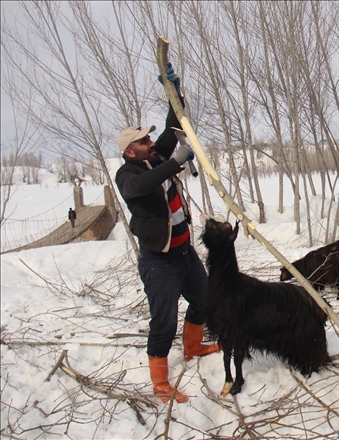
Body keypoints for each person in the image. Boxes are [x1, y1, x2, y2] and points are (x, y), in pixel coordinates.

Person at [115, 63, 219, 404]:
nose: (149, 142)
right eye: (143, 141)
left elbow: (176, 123)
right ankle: (160, 380)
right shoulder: (128, 173)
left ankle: (193, 347)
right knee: (163, 319)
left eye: (149, 138)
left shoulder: (155, 155)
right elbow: (143, 186)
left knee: (205, 301)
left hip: (184, 252)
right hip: (158, 261)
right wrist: (175, 162)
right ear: (131, 151)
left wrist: (174, 91)